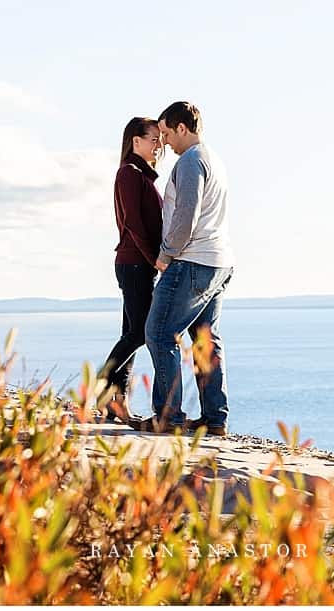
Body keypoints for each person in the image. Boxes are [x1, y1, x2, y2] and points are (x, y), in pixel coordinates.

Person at [129, 101, 234, 436]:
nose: (165, 143)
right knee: (205, 341)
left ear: (182, 128)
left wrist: (166, 253)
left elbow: (186, 214)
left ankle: (169, 417)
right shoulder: (213, 160)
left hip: (191, 259)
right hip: (219, 261)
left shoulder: (190, 162)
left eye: (166, 133)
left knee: (159, 334)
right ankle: (215, 419)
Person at [98, 117, 164, 423]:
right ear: (135, 141)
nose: (159, 144)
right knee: (139, 332)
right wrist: (154, 259)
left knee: (131, 333)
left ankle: (116, 401)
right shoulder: (129, 174)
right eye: (153, 139)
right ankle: (98, 390)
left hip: (139, 264)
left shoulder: (143, 176)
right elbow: (133, 225)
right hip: (134, 263)